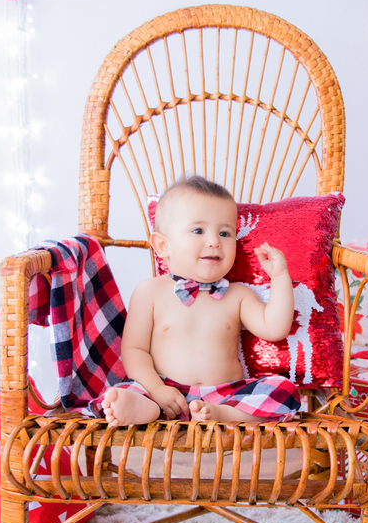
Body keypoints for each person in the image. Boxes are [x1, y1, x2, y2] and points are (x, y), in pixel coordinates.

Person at [97, 176, 302, 426]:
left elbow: (275, 328)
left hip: (226, 395)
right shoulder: (149, 292)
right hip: (165, 391)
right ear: (163, 245)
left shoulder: (237, 295)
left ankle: (224, 416)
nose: (215, 241)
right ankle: (145, 408)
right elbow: (134, 351)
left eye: (225, 233)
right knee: (121, 392)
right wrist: (156, 389)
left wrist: (279, 276)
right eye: (198, 231)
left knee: (284, 390)